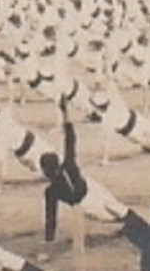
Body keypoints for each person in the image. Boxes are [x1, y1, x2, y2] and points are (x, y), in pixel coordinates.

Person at [39, 97, 129, 242]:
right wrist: (65, 112)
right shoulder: (66, 168)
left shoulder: (53, 188)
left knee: (116, 212)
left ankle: (134, 226)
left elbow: (51, 217)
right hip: (89, 197)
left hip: (90, 196)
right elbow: (70, 138)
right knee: (116, 214)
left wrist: (49, 241)